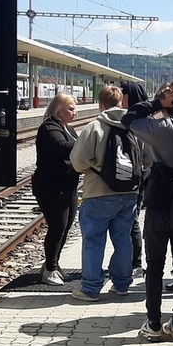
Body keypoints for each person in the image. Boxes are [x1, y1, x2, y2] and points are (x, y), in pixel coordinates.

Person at [122, 82, 173, 343]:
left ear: (167, 103)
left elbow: (128, 118)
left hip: (159, 202)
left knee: (155, 265)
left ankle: (153, 323)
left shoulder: (160, 128)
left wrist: (156, 105)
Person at [70, 85, 146, 302]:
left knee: (94, 240)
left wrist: (95, 167)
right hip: (129, 194)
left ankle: (91, 288)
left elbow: (77, 162)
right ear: (122, 102)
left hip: (97, 193)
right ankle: (122, 285)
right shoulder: (134, 127)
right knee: (123, 239)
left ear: (100, 104)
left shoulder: (94, 127)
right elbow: (147, 160)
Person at [32, 93, 82, 286]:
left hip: (68, 185)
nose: (74, 113)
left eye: (75, 108)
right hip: (51, 186)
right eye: (70, 108)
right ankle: (50, 270)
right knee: (57, 226)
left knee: (67, 224)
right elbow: (62, 148)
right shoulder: (49, 127)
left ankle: (53, 264)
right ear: (58, 109)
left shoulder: (68, 128)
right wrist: (88, 143)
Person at [120, 81, 150, 278]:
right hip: (137, 178)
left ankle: (136, 263)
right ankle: (133, 262)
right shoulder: (145, 119)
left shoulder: (136, 122)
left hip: (135, 180)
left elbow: (147, 157)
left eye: (123, 93)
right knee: (132, 221)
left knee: (132, 222)